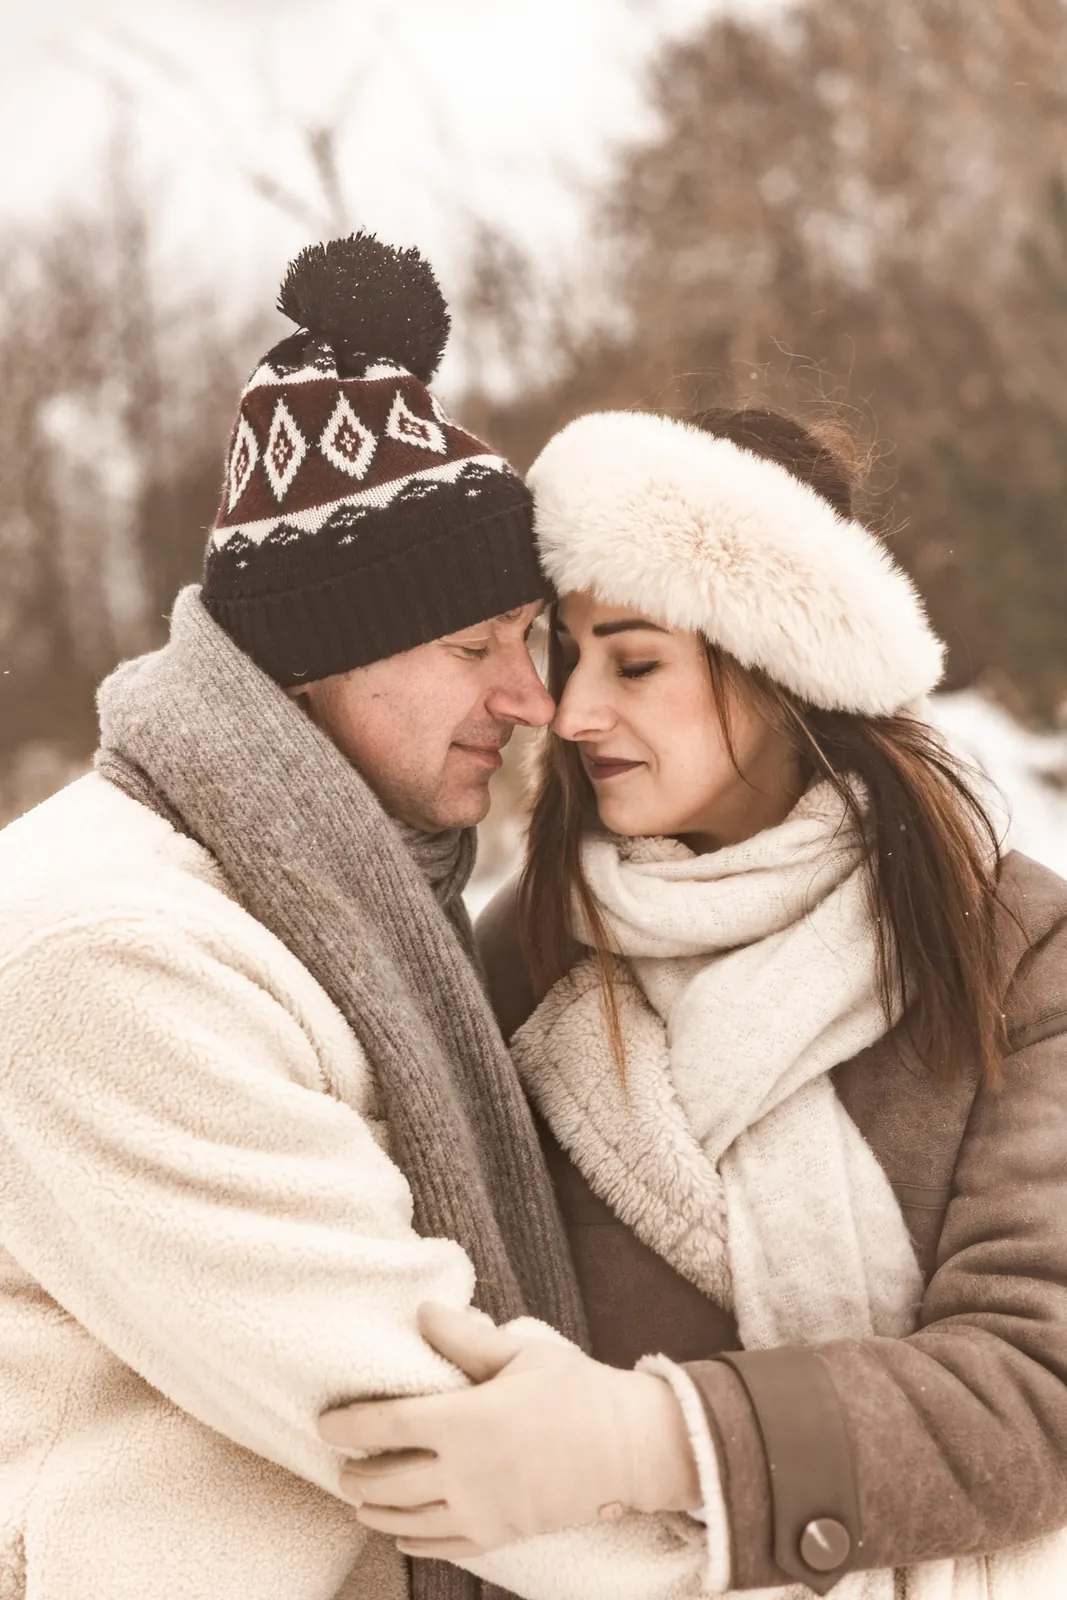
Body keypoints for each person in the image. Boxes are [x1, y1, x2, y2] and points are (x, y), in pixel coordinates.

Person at [0, 236, 708, 1600]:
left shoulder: (348, 907)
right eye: (471, 649)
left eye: (528, 637)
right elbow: (420, 1410)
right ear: (316, 656)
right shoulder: (107, 950)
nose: (531, 700)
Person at [325, 405, 1067, 1599]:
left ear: (780, 668)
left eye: (634, 661)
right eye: (568, 657)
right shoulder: (527, 955)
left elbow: (1039, 1385)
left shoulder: (1013, 951)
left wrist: (647, 1438)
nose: (570, 713)